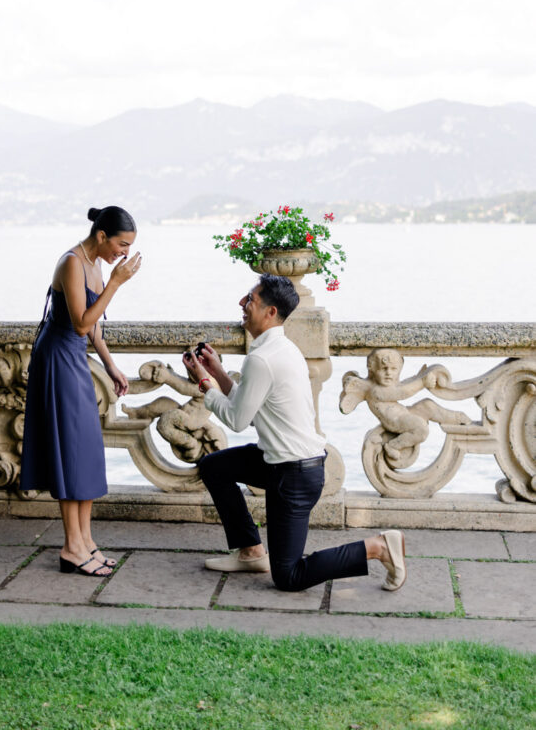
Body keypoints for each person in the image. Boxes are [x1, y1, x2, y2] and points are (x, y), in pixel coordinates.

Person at [182, 274, 406, 593]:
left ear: (271, 312)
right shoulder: (280, 348)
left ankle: (378, 546)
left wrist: (204, 384)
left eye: (251, 300)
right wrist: (217, 371)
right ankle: (250, 551)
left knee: (289, 576)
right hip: (281, 462)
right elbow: (250, 404)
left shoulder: (262, 358)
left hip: (295, 475)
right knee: (214, 467)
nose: (242, 304)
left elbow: (236, 420)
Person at [20, 205, 141, 577]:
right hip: (57, 359)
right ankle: (72, 546)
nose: (124, 252)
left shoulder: (97, 263)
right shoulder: (73, 262)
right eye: (122, 244)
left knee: (84, 449)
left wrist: (110, 365)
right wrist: (117, 284)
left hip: (75, 359)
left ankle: (86, 541)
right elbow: (79, 324)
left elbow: (94, 330)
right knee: (70, 449)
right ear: (102, 236)